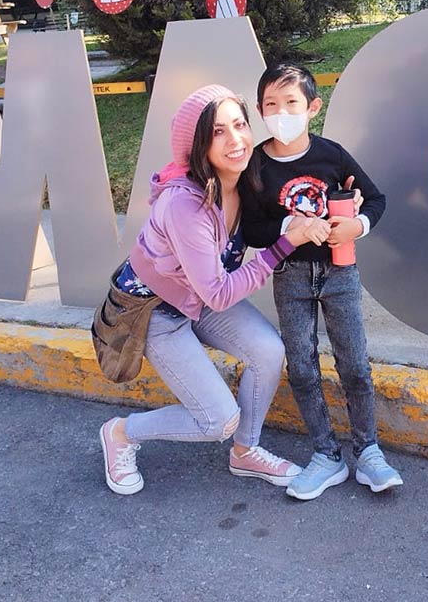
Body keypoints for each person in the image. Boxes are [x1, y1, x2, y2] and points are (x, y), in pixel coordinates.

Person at [97, 84, 331, 496]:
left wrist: (349, 202)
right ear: (197, 145)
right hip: (155, 312)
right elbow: (221, 295)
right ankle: (120, 433)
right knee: (217, 421)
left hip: (199, 296)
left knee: (268, 351)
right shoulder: (185, 205)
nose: (236, 139)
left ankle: (246, 450)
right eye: (218, 132)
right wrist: (285, 244)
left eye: (239, 124)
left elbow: (303, 190)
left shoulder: (243, 178)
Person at [243, 63, 402, 501]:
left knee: (354, 363)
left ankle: (368, 451)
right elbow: (250, 231)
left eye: (291, 102)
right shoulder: (255, 165)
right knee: (302, 364)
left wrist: (359, 226)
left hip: (340, 271)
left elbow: (376, 198)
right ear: (260, 110)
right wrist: (288, 224)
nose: (281, 112)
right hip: (289, 275)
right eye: (271, 104)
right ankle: (325, 454)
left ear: (312, 107)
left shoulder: (331, 154)